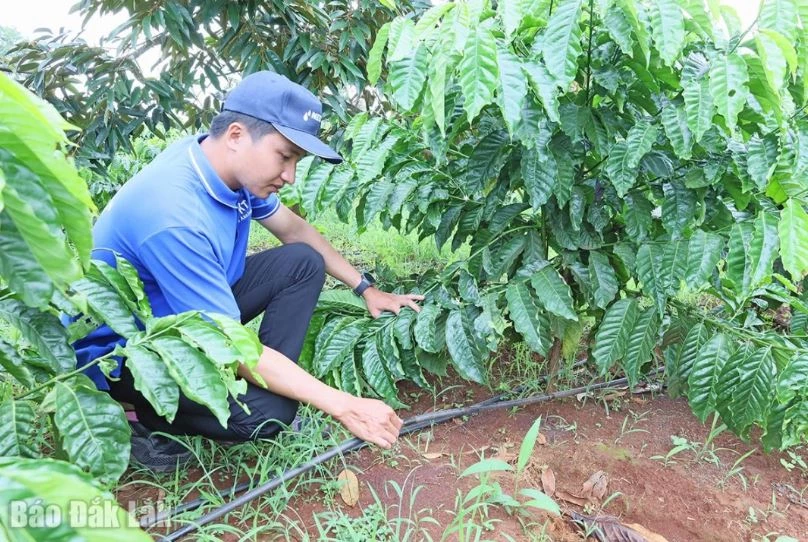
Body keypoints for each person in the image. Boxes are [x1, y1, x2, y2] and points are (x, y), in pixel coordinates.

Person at [73, 71, 424, 471]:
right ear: (237, 135)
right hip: (124, 355)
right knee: (269, 414)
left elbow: (295, 230)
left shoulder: (222, 166)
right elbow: (231, 342)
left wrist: (365, 288)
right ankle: (135, 413)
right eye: (285, 156)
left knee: (301, 262)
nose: (290, 175)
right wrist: (345, 406)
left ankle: (271, 382)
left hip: (176, 316)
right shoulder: (173, 213)